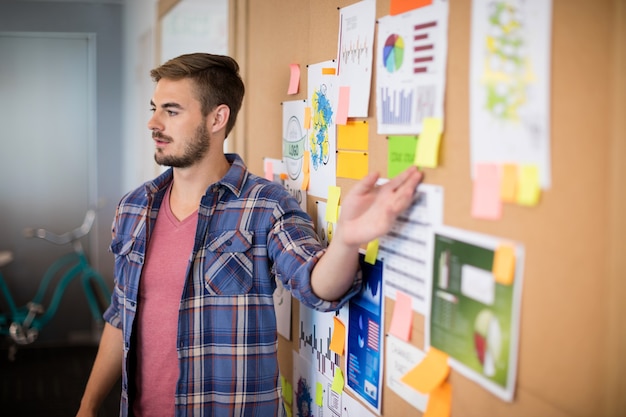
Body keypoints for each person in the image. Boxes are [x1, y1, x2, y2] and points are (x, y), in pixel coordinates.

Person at [76, 53, 423, 417]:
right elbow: (120, 316)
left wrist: (348, 241)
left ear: (217, 118)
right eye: (155, 108)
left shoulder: (265, 205)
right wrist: (88, 406)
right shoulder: (134, 207)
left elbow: (318, 285)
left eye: (171, 111)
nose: (153, 122)